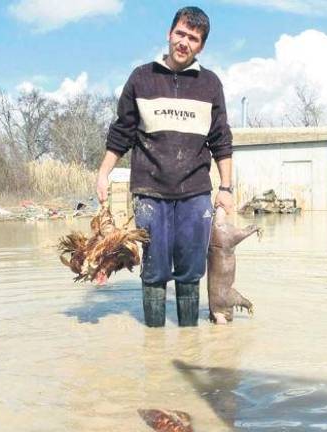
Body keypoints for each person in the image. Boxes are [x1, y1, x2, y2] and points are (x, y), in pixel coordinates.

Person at [96, 6, 234, 327]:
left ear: (201, 46)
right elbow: (122, 132)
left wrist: (226, 188)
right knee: (154, 269)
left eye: (194, 38)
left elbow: (221, 139)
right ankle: (154, 344)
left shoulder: (210, 84)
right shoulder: (142, 78)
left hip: (196, 192)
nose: (185, 42)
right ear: (169, 34)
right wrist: (103, 173)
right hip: (149, 192)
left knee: (190, 270)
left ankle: (189, 341)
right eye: (181, 34)